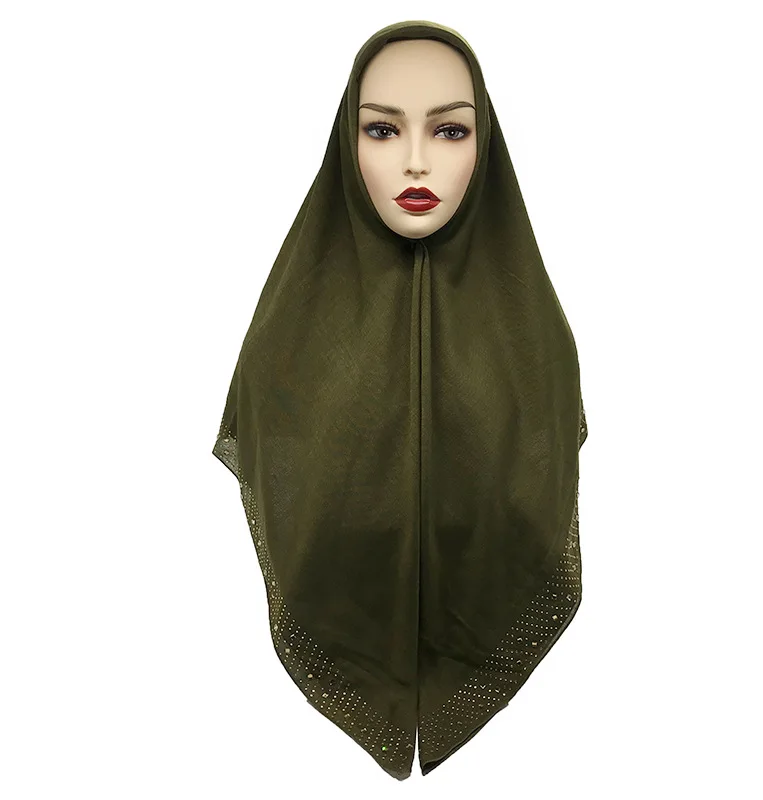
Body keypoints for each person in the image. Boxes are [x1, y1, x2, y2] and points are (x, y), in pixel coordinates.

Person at [213, 19, 588, 781]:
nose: (416, 160)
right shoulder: (289, 331)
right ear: (345, 144)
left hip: (542, 745)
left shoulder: (534, 335)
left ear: (486, 145)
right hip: (281, 747)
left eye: (450, 130)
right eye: (382, 130)